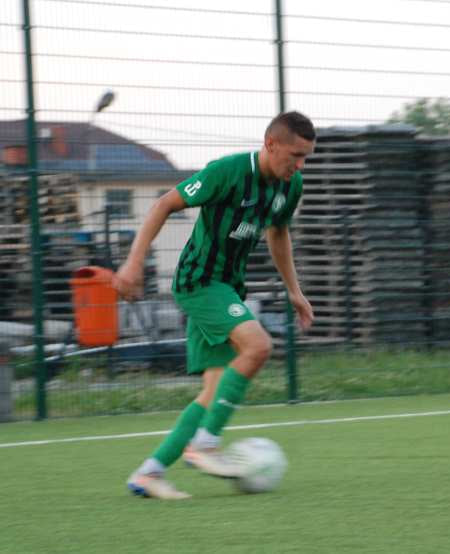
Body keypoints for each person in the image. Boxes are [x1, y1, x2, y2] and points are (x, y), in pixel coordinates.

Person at [114, 111, 316, 500]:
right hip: (199, 282)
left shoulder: (290, 187)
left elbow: (279, 233)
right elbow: (162, 205)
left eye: (306, 156)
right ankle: (205, 445)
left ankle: (149, 473)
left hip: (227, 289)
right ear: (270, 144)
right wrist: (134, 261)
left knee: (211, 393)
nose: (300, 164)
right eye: (295, 154)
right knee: (258, 346)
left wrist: (295, 290)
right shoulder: (227, 172)